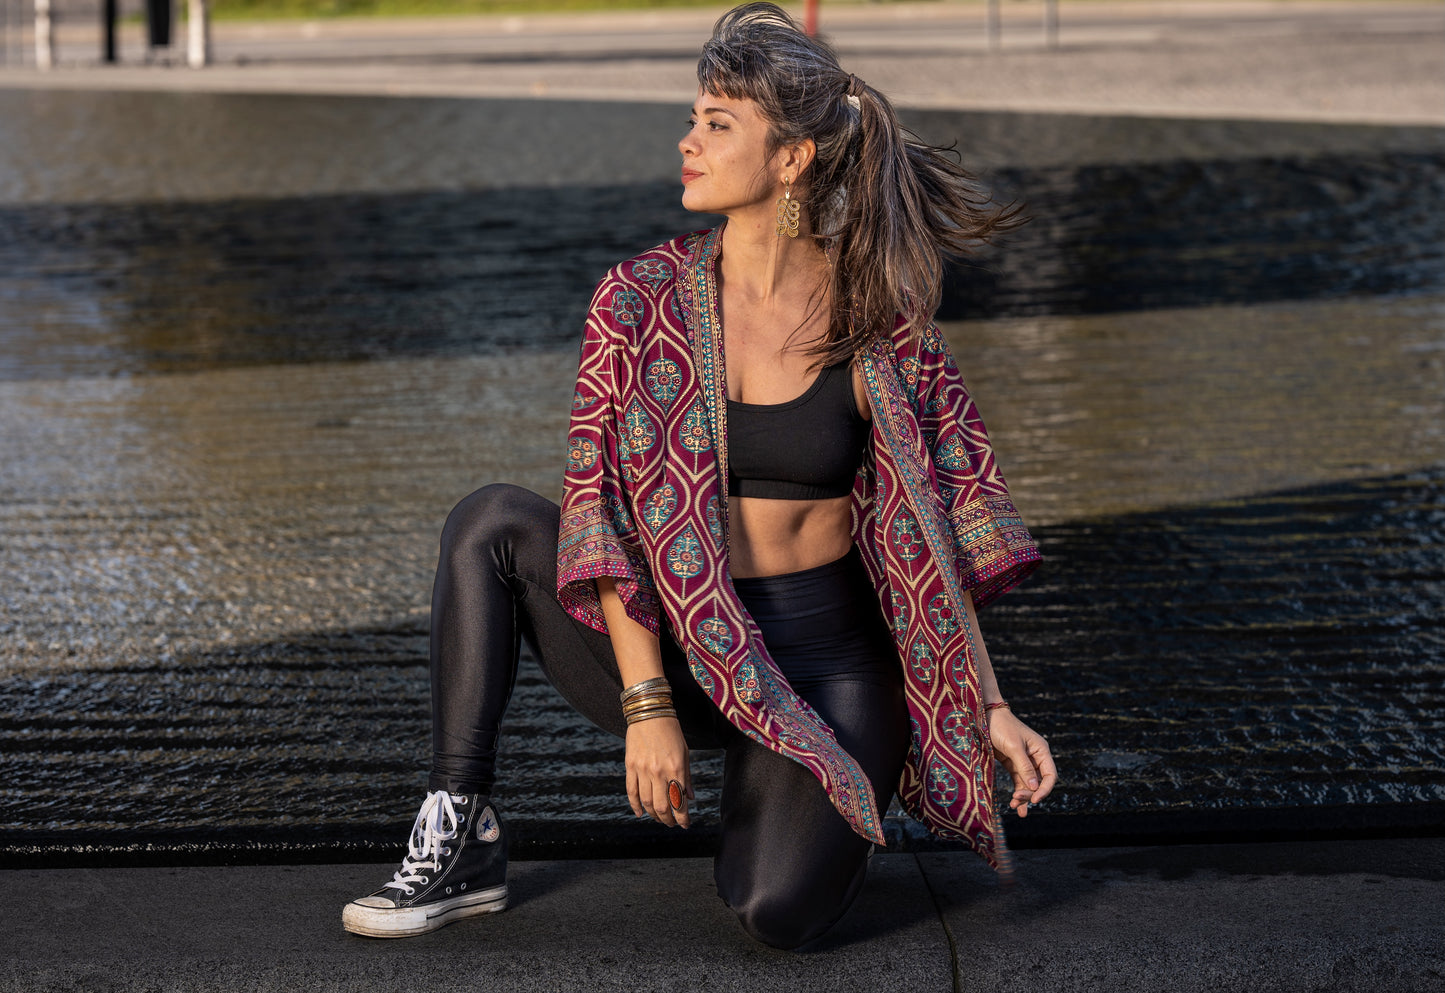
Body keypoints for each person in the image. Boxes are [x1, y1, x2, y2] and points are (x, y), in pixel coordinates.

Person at [342, 2, 1057, 950]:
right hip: (676, 639)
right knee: (492, 521)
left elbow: (945, 518)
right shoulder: (635, 299)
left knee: (774, 911)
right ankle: (460, 828)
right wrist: (645, 706)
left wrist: (989, 703)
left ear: (791, 158)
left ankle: (790, 776)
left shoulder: (882, 313)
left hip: (826, 656)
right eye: (692, 118)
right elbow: (597, 512)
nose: (687, 142)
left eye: (716, 124)